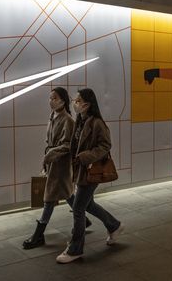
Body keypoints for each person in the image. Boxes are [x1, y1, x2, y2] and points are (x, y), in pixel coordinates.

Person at [56, 88, 124, 264]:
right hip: (82, 171)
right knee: (89, 204)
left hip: (91, 170)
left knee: (78, 209)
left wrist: (85, 156)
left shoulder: (97, 123)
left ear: (87, 104)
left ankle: (75, 249)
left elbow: (105, 145)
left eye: (78, 101)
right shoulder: (80, 120)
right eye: (75, 100)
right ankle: (114, 225)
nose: (75, 103)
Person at [23, 87, 91, 250]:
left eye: (54, 98)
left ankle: (39, 235)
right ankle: (85, 220)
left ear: (62, 101)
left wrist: (49, 155)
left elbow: (68, 145)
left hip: (60, 164)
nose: (51, 101)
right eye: (50, 98)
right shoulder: (53, 116)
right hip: (53, 162)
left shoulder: (67, 119)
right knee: (67, 194)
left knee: (49, 198)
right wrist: (47, 157)